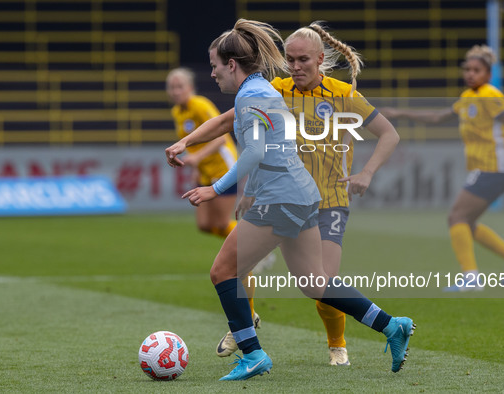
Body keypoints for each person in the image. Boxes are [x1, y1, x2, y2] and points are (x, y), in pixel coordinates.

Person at [166, 19, 414, 380]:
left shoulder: (254, 94)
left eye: (215, 66)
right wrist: (193, 148)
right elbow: (269, 148)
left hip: (285, 198)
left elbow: (253, 152)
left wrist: (216, 189)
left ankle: (251, 352)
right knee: (315, 282)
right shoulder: (268, 90)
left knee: (223, 271)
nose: (213, 72)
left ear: (232, 65)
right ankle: (393, 326)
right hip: (301, 194)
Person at [381, 45, 504, 291]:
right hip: (486, 169)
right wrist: (400, 112)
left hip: (494, 168)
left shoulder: (489, 95)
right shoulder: (468, 97)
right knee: (467, 222)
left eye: (477, 70)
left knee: (456, 217)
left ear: (488, 73)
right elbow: (437, 117)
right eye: (468, 69)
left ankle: (471, 277)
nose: (471, 74)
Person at [166, 67, 261, 330]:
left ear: (190, 87)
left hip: (222, 167)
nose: (176, 92)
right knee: (205, 225)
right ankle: (248, 247)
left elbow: (221, 136)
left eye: (179, 86)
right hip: (205, 171)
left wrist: (196, 157)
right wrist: (196, 164)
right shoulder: (178, 112)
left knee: (221, 220)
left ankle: (250, 249)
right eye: (172, 87)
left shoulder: (199, 105)